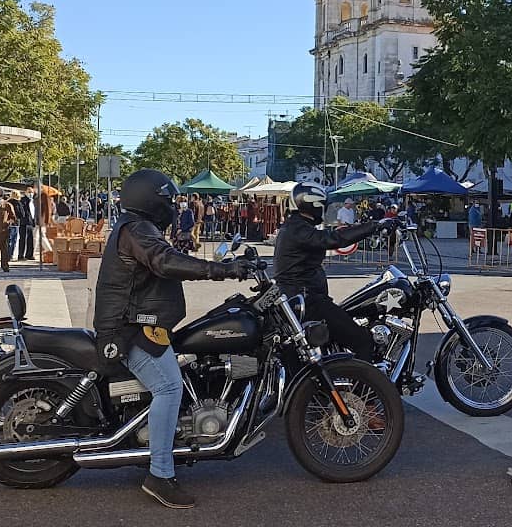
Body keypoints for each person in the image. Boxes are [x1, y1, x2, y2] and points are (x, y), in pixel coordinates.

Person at [93, 169, 251, 508]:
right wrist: (219, 270)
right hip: (128, 327)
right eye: (169, 198)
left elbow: (161, 257)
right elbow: (163, 261)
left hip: (135, 322)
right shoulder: (136, 229)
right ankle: (160, 475)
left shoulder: (136, 227)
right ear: (152, 200)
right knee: (169, 388)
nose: (173, 204)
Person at [274, 183, 394, 359]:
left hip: (302, 298)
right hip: (309, 301)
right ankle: (365, 385)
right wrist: (374, 226)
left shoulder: (295, 226)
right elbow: (333, 239)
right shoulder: (298, 229)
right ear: (314, 204)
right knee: (363, 341)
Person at [16, 186, 38, 261]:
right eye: (29, 192)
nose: (31, 194)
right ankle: (21, 255)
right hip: (24, 222)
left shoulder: (33, 201)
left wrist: (34, 222)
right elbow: (22, 211)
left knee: (30, 239)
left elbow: (33, 212)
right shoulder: (23, 200)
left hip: (30, 222)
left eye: (32, 192)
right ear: (25, 192)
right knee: (23, 239)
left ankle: (29, 254)